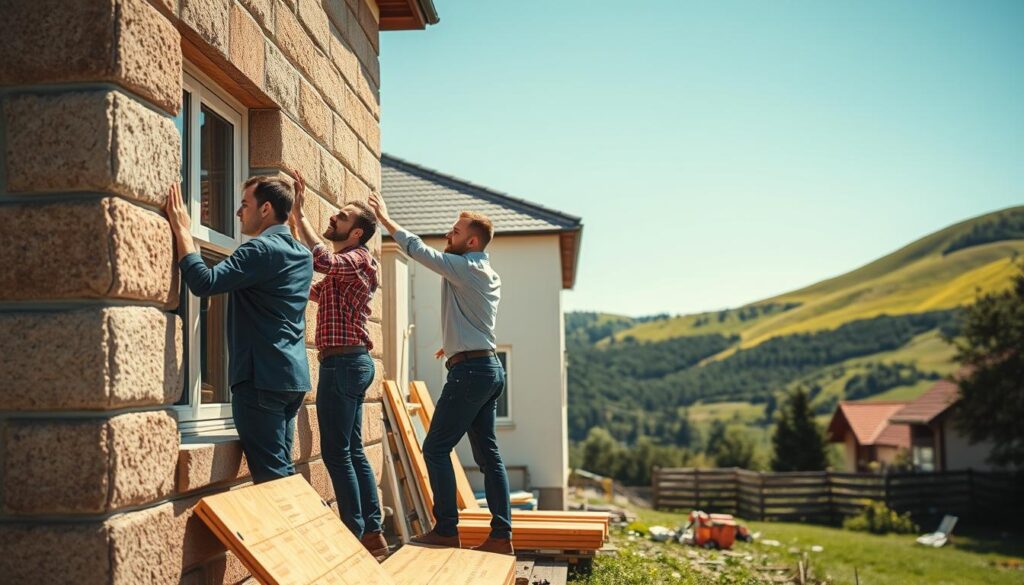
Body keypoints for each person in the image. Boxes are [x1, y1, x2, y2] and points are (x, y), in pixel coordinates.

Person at [368, 191, 514, 555]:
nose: (449, 236)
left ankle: (447, 529)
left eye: (455, 231)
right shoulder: (485, 272)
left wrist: (386, 220)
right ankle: (501, 536)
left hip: (472, 373)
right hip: (486, 368)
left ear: (472, 240)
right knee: (488, 456)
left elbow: (419, 251)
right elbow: (472, 318)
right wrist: (452, 345)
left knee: (434, 448)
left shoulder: (466, 268)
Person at [164, 177, 313, 483]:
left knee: (274, 479)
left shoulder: (260, 249)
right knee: (282, 472)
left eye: (245, 204)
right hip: (291, 379)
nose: (237, 212)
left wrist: (181, 229)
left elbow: (204, 283)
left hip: (261, 381)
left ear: (266, 208)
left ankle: (300, 531)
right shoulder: (303, 254)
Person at [288, 170, 387, 559]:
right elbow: (311, 283)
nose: (334, 217)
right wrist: (294, 222)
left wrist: (300, 213)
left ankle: (355, 534)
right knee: (353, 450)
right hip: (347, 363)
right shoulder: (345, 267)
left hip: (345, 364)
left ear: (357, 232)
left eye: (342, 217)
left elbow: (321, 261)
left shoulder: (359, 259)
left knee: (336, 453)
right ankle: (372, 533)